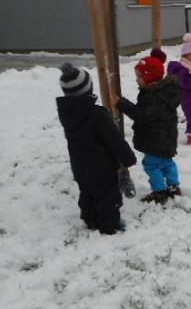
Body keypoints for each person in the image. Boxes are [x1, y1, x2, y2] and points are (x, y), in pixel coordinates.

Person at [56, 63, 136, 235]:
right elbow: (114, 140)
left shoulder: (68, 114)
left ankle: (89, 218)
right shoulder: (97, 115)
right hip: (101, 168)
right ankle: (109, 226)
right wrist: (129, 158)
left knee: (87, 192)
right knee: (108, 197)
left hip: (79, 166)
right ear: (88, 89)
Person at [114, 56, 181, 205]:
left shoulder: (152, 97)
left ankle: (160, 192)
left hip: (155, 140)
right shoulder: (165, 92)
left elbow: (140, 114)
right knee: (167, 162)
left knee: (152, 165)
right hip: (167, 139)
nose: (137, 80)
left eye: (139, 77)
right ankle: (173, 186)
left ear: (149, 77)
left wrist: (121, 103)